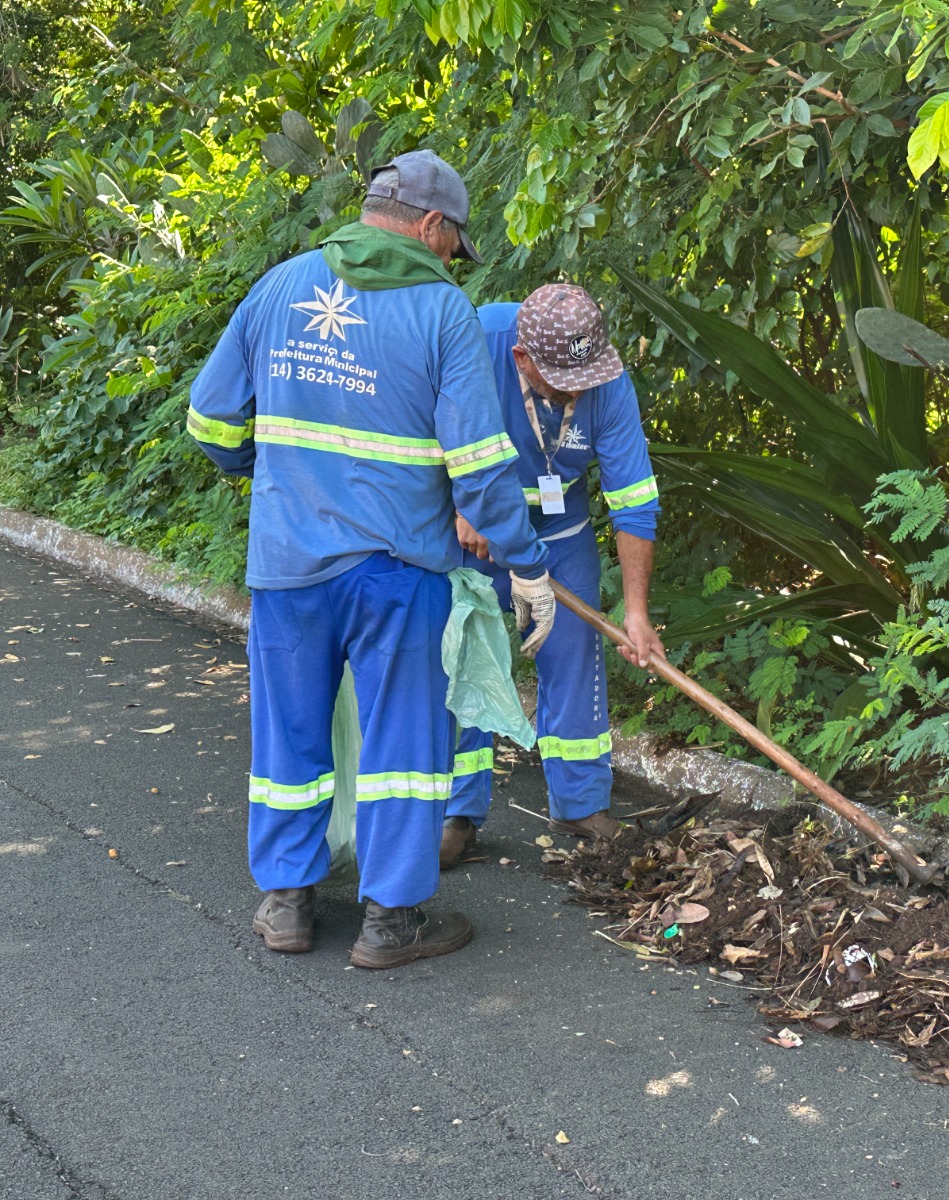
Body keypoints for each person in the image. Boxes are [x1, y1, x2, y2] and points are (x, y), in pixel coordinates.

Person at [186, 150, 557, 968]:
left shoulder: (279, 287)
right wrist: (527, 566)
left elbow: (212, 421)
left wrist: (279, 474)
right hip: (397, 573)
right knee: (402, 746)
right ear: (431, 226)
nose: (452, 259)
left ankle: (287, 903)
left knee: (289, 733)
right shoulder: (440, 311)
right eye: (455, 244)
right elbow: (483, 468)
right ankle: (392, 923)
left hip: (288, 564)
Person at [444, 284, 663, 865]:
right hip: (479, 534)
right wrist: (461, 504)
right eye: (565, 380)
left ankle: (580, 803)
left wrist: (636, 614)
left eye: (588, 375)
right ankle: (457, 813)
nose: (581, 389)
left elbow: (634, 499)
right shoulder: (474, 343)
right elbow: (416, 431)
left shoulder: (604, 378)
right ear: (522, 359)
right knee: (469, 655)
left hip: (560, 526)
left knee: (572, 654)